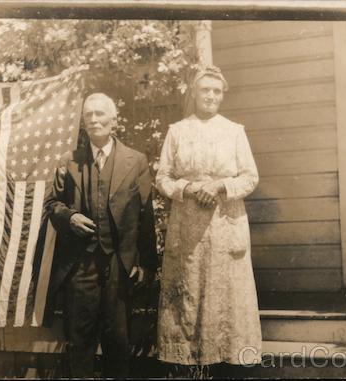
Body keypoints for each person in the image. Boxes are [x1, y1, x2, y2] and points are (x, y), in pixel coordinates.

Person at [155, 66, 262, 368]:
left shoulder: (234, 131)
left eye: (217, 91)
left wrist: (220, 186)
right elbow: (162, 177)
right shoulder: (177, 131)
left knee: (226, 291)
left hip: (225, 221)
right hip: (187, 223)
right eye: (205, 90)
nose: (211, 96)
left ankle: (229, 361)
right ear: (194, 93)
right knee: (190, 288)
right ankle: (190, 363)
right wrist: (187, 188)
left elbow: (250, 177)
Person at [44, 93, 157, 378]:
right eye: (88, 115)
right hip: (80, 266)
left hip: (120, 265)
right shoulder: (69, 161)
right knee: (79, 342)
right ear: (83, 122)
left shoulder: (136, 161)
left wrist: (145, 264)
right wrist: (70, 217)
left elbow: (146, 218)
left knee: (118, 341)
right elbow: (52, 204)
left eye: (99, 114)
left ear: (113, 120)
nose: (94, 119)